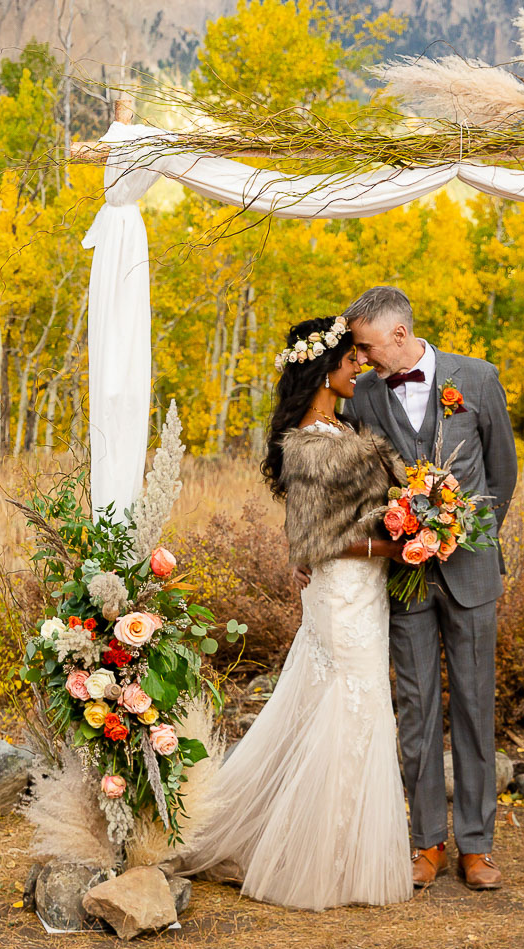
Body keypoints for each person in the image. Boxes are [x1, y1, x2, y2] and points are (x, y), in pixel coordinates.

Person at [174, 314, 415, 910]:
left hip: (363, 591)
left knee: (341, 707)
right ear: (324, 370)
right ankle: (323, 861)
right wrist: (401, 546)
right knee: (349, 709)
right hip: (342, 593)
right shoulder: (309, 443)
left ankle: (339, 849)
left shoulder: (343, 429)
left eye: (362, 358)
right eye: (351, 360)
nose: (360, 366)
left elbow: (315, 527)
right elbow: (318, 539)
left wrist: (414, 518)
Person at [343, 285, 517, 893]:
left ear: (397, 333)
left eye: (366, 346)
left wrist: (466, 532)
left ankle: (477, 847)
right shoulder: (362, 396)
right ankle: (428, 843)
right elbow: (361, 480)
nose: (361, 360)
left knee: (473, 708)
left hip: (470, 572)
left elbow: (503, 471)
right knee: (415, 711)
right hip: (402, 575)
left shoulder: (478, 378)